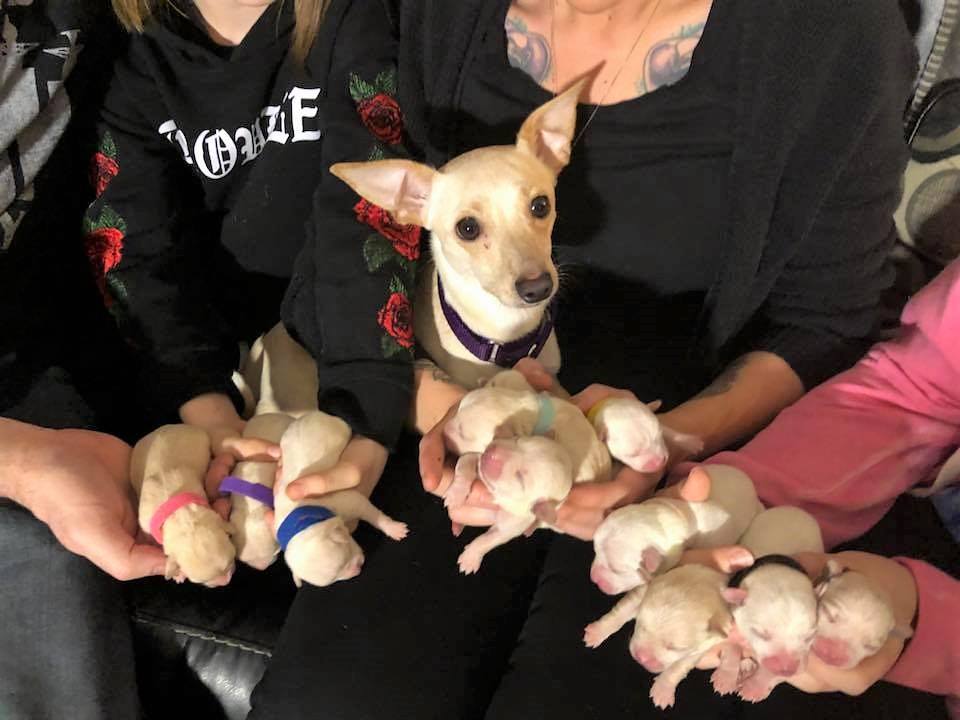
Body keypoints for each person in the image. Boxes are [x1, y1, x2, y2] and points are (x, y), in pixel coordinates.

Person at [248, 1, 945, 719]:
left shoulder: (831, 31)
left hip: (686, 436)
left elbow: (825, 318)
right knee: (332, 700)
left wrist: (671, 443)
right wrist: (436, 407)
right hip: (458, 402)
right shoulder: (412, 11)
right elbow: (345, 234)